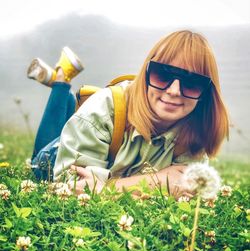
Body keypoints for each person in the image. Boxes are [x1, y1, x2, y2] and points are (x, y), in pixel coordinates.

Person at [28, 30, 229, 197]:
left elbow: (188, 191)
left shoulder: (197, 132)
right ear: (147, 73)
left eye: (192, 82)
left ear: (206, 92)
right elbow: (74, 190)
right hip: (55, 156)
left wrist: (106, 189)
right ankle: (61, 82)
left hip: (89, 136)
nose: (174, 91)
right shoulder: (103, 109)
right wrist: (159, 181)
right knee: (38, 162)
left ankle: (67, 94)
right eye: (163, 74)